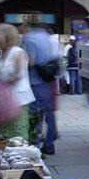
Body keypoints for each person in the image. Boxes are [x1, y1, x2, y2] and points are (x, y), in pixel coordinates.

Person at [0, 23, 34, 140]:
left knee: (16, 131)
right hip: (2, 98)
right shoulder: (0, 53)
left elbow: (20, 74)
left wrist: (5, 80)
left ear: (7, 36)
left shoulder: (17, 52)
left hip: (17, 98)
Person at [23, 23, 58, 154]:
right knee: (49, 113)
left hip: (36, 80)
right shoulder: (47, 36)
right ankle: (50, 144)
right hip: (47, 79)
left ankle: (35, 145)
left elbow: (31, 62)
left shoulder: (30, 39)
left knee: (35, 113)